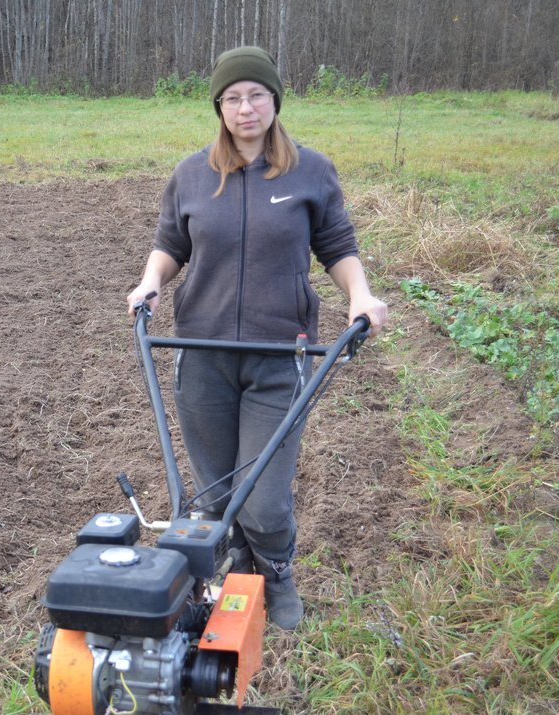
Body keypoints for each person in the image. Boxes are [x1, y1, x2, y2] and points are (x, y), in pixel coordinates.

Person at [125, 46, 387, 630]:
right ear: (219, 107)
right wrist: (150, 283)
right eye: (234, 98)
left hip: (280, 355)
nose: (246, 109)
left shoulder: (311, 171)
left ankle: (275, 569)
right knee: (215, 495)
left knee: (264, 499)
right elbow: (171, 244)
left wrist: (360, 297)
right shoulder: (192, 174)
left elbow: (338, 247)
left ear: (275, 101)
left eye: (257, 96)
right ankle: (235, 560)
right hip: (203, 354)